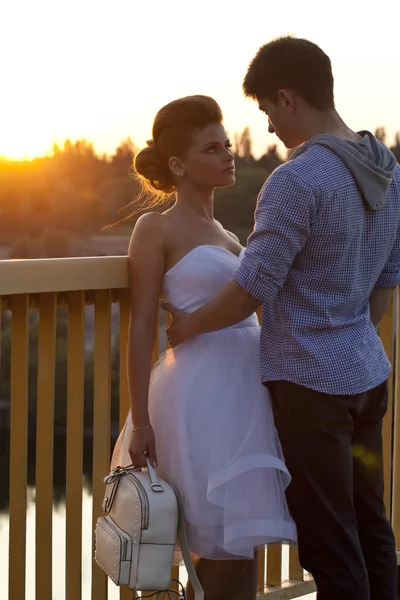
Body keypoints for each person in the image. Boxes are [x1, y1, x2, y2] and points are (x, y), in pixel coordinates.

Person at [165, 38, 400, 600]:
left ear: (288, 98)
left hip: (310, 386)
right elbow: (386, 281)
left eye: (268, 110)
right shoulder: (387, 169)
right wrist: (348, 329)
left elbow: (252, 287)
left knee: (329, 540)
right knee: (372, 527)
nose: (268, 127)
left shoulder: (297, 179)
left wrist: (187, 328)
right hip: (367, 374)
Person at [111, 94, 297, 600]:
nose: (228, 154)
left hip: (248, 391)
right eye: (212, 149)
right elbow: (142, 326)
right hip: (202, 394)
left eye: (227, 144)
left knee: (243, 545)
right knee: (220, 549)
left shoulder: (228, 234)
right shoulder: (156, 227)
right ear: (178, 165)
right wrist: (141, 419)